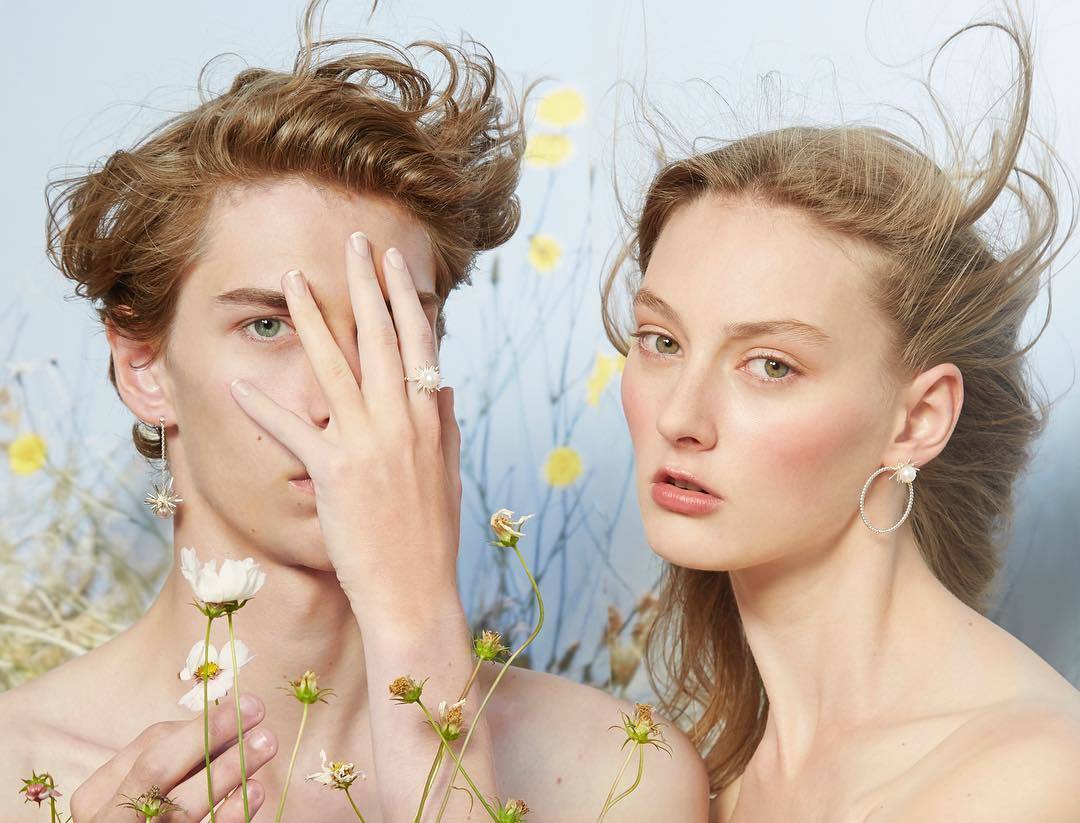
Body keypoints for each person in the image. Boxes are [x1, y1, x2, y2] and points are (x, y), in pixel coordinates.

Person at [0, 3, 710, 820]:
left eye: (386, 326)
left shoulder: (617, 772)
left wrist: (416, 616)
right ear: (143, 367)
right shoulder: (22, 767)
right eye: (268, 326)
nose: (338, 394)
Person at [602, 7, 1080, 821]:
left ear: (917, 420)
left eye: (771, 365)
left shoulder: (1026, 779)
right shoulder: (699, 774)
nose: (681, 416)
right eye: (662, 341)